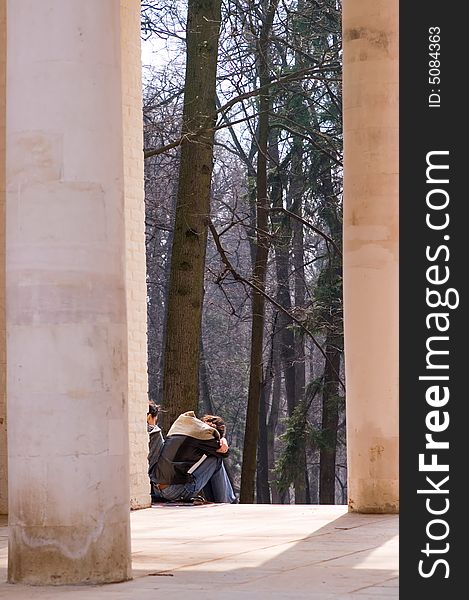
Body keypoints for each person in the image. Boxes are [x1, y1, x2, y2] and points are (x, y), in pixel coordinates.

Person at [149, 410, 237, 504]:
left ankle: (219, 501)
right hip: (173, 492)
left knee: (212, 457)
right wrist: (223, 440)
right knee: (216, 459)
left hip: (157, 489)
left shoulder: (183, 427)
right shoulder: (205, 435)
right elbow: (223, 452)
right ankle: (224, 502)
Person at [147, 401, 165, 503]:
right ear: (149, 417)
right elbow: (151, 462)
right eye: (155, 419)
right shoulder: (154, 433)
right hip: (153, 485)